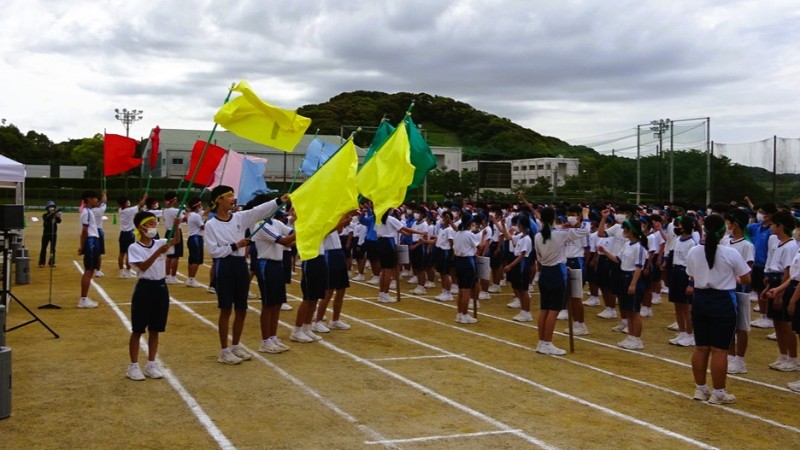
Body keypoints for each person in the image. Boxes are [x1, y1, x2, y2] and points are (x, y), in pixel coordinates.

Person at [204, 185, 287, 365]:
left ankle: (235, 345)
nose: (233, 199)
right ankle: (224, 350)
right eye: (229, 196)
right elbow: (214, 251)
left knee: (242, 308)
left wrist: (279, 200)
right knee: (226, 309)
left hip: (240, 265)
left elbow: (259, 210)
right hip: (225, 266)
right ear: (219, 199)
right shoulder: (211, 224)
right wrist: (236, 245)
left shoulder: (240, 217)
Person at [687, 214, 751, 405]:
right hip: (722, 300)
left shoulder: (694, 251)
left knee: (700, 347)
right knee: (720, 349)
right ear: (723, 231)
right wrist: (733, 278)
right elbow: (746, 278)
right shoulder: (730, 252)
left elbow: (692, 274)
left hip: (700, 299)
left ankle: (700, 389)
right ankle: (719, 392)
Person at [125, 211, 181, 381]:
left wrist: (177, 226)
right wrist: (158, 252)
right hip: (145, 288)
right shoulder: (134, 247)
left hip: (161, 287)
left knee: (155, 329)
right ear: (140, 227)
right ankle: (133, 366)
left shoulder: (160, 242)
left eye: (154, 223)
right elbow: (142, 266)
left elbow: (176, 240)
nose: (153, 227)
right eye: (150, 224)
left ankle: (151, 364)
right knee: (138, 329)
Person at [534, 206, 590, 355]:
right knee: (554, 310)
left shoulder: (538, 235)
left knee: (544, 309)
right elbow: (585, 230)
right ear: (554, 218)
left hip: (544, 271)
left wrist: (562, 228)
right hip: (557, 272)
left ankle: (541, 342)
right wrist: (585, 215)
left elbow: (538, 257)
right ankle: (547, 342)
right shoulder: (559, 234)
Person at [248, 196, 296, 353]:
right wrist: (304, 229)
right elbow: (284, 241)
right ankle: (265, 341)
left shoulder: (276, 223)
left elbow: (291, 236)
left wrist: (299, 225)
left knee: (277, 303)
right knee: (268, 304)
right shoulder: (259, 225)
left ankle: (272, 337)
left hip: (277, 264)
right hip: (266, 265)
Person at [599, 215, 648, 350]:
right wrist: (605, 252)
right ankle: (631, 336)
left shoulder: (639, 247)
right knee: (627, 310)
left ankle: (637, 339)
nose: (623, 231)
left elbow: (639, 267)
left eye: (625, 228)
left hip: (632, 278)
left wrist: (633, 284)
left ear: (632, 230)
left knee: (634, 310)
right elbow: (617, 259)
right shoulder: (627, 244)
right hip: (623, 276)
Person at [762, 210, 799, 371]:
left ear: (781, 226)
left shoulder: (790, 246)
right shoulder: (777, 243)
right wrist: (769, 286)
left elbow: (788, 272)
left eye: (773, 224)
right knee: (778, 323)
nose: (770, 227)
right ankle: (783, 355)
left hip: (784, 284)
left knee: (786, 324)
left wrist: (780, 294)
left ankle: (792, 358)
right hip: (775, 280)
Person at [723, 208, 755, 374]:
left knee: (741, 326)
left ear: (735, 224)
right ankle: (730, 356)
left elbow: (747, 270)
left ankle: (740, 360)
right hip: (725, 288)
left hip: (739, 289)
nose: (727, 225)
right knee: (729, 325)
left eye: (729, 222)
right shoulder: (726, 241)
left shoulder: (747, 245)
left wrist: (735, 278)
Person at [668, 215, 699, 347]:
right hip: (675, 271)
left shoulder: (692, 243)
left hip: (685, 274)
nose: (677, 227)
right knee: (677, 305)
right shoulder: (677, 240)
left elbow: (693, 264)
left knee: (686, 306)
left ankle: (690, 334)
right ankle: (682, 333)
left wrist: (691, 283)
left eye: (680, 224)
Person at [452, 211, 487, 324]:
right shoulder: (469, 234)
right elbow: (480, 246)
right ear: (470, 223)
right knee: (467, 290)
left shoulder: (457, 233)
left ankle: (459, 314)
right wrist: (483, 237)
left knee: (461, 290)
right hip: (467, 262)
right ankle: (465, 314)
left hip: (459, 261)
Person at [77, 191, 101, 308]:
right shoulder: (86, 212)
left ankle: (84, 298)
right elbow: (85, 231)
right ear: (89, 199)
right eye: (95, 198)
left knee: (90, 270)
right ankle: (83, 299)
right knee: (89, 270)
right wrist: (82, 246)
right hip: (91, 241)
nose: (97, 200)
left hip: (92, 240)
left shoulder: (88, 211)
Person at [117, 194, 147, 278]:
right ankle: (128, 271)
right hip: (129, 234)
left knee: (121, 253)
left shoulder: (120, 210)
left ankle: (121, 272)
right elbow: (140, 205)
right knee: (129, 253)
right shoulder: (129, 211)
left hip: (122, 233)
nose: (128, 202)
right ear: (124, 203)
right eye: (127, 201)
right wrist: (145, 197)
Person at [162, 191, 184, 285]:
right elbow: (184, 219)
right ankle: (173, 277)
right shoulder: (175, 211)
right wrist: (185, 210)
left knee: (169, 256)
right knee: (176, 256)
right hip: (175, 232)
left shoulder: (165, 210)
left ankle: (167, 276)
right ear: (174, 199)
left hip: (168, 232)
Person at [185, 197, 206, 288]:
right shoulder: (196, 216)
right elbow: (202, 227)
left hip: (192, 238)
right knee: (196, 260)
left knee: (192, 259)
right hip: (196, 238)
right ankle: (191, 279)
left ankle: (190, 278)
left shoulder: (190, 214)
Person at [38, 200, 61, 268]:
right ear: (47, 208)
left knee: (53, 249)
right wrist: (54, 213)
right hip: (46, 234)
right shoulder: (45, 215)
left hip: (53, 234)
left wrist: (57, 215)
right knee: (43, 248)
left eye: (53, 207)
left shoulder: (55, 215)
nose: (52, 208)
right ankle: (41, 262)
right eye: (50, 207)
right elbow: (47, 218)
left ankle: (52, 262)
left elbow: (59, 221)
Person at [91, 190, 108, 277]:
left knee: (92, 251)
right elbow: (104, 202)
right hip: (99, 231)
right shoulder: (100, 211)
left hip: (91, 232)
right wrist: (104, 194)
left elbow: (102, 202)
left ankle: (91, 268)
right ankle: (97, 270)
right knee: (99, 253)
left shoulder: (90, 211)